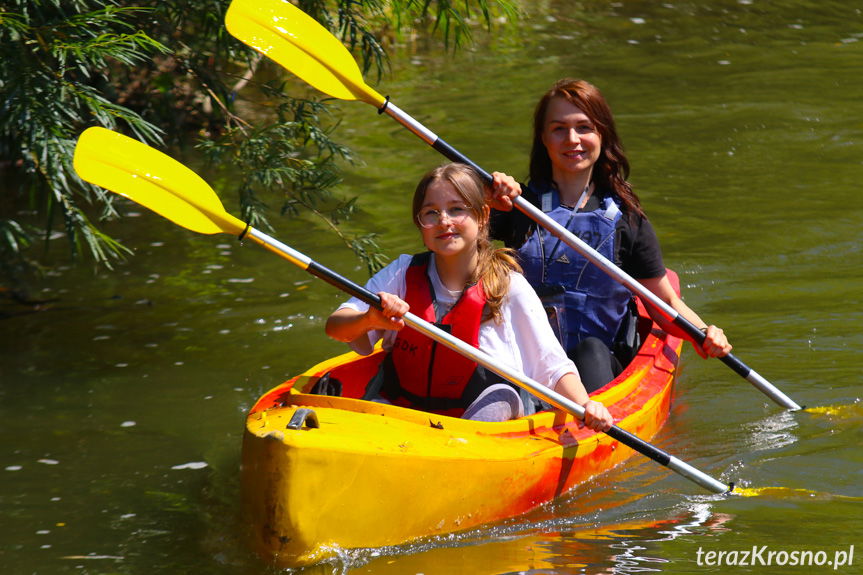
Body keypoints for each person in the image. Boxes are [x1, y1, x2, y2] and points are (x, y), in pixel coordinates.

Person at [325, 162, 613, 430]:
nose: (444, 221)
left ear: (483, 216)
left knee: (500, 397)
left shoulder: (509, 286)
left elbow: (551, 367)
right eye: (431, 212)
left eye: (456, 209)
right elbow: (337, 325)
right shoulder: (402, 273)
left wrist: (585, 404)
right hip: (407, 417)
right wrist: (369, 319)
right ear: (420, 223)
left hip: (477, 428)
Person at [488, 79, 732, 392]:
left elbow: (663, 301)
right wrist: (483, 199)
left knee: (590, 351)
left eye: (584, 127)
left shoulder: (627, 218)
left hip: (598, 366)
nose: (572, 139)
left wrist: (703, 333)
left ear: (602, 134)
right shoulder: (516, 204)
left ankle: (592, 415)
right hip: (525, 361)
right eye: (559, 129)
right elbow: (453, 244)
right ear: (544, 138)